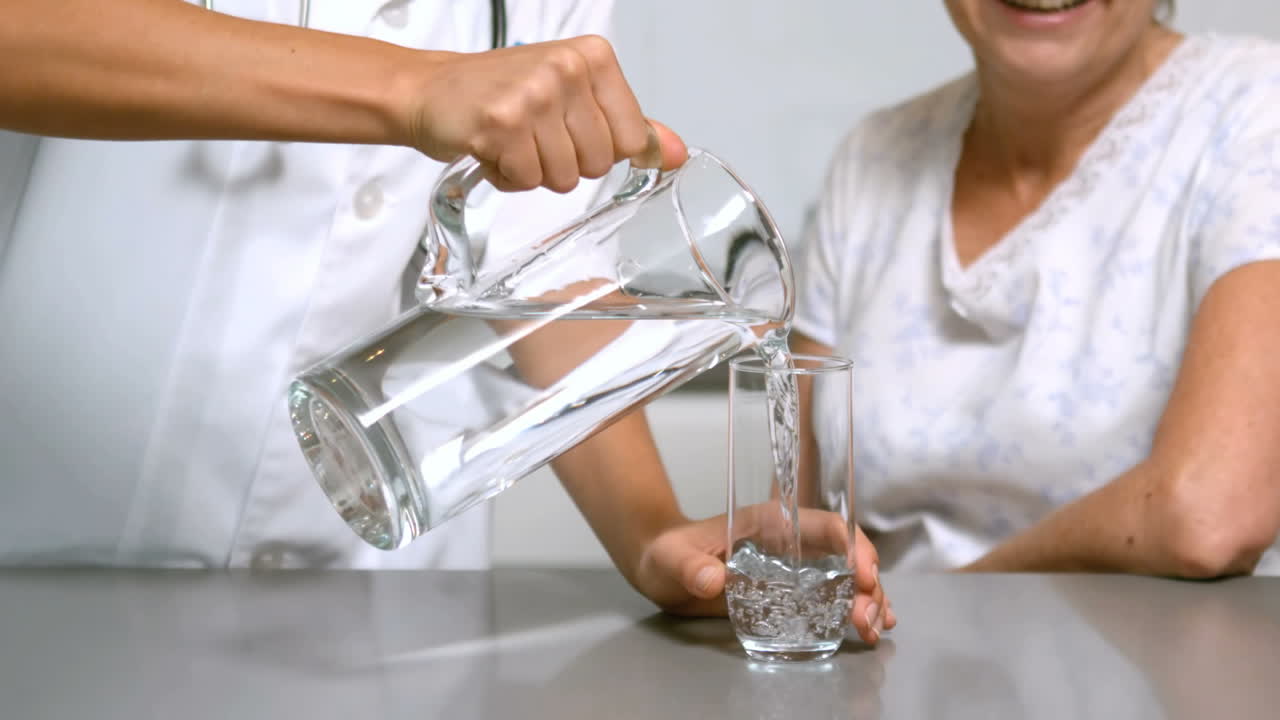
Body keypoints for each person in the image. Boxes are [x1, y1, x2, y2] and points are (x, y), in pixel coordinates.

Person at [0, 1, 894, 644]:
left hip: (380, 614)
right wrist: (415, 89)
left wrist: (650, 531)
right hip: (62, 569)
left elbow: (535, 268)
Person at [792, 0, 1280, 577]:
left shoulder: (1256, 111)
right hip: (891, 656)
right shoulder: (871, 158)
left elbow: (1207, 518)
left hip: (1165, 665)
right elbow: (799, 529)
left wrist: (941, 614)